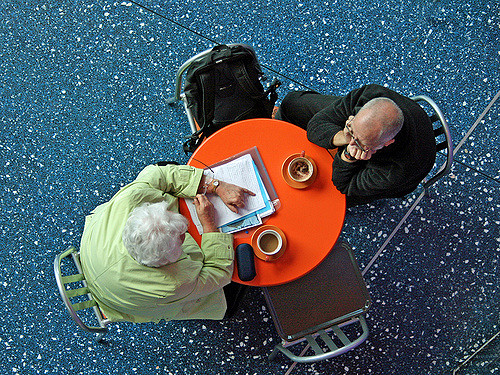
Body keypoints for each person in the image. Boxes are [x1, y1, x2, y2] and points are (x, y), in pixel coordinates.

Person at [79, 163, 255, 323]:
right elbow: (218, 273)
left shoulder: (130, 199)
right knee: (235, 276)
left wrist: (216, 185)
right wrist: (209, 224)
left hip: (96, 259)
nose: (185, 234)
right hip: (119, 297)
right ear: (163, 262)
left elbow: (159, 173)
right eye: (182, 237)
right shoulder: (171, 285)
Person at [275, 84, 436, 207]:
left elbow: (343, 184)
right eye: (351, 129)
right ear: (361, 112)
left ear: (387, 143)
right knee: (292, 103)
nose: (351, 142)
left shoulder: (396, 171)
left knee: (329, 197)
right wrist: (343, 137)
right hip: (388, 130)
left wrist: (348, 157)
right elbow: (316, 125)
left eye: (359, 142)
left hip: (399, 176)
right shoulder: (371, 94)